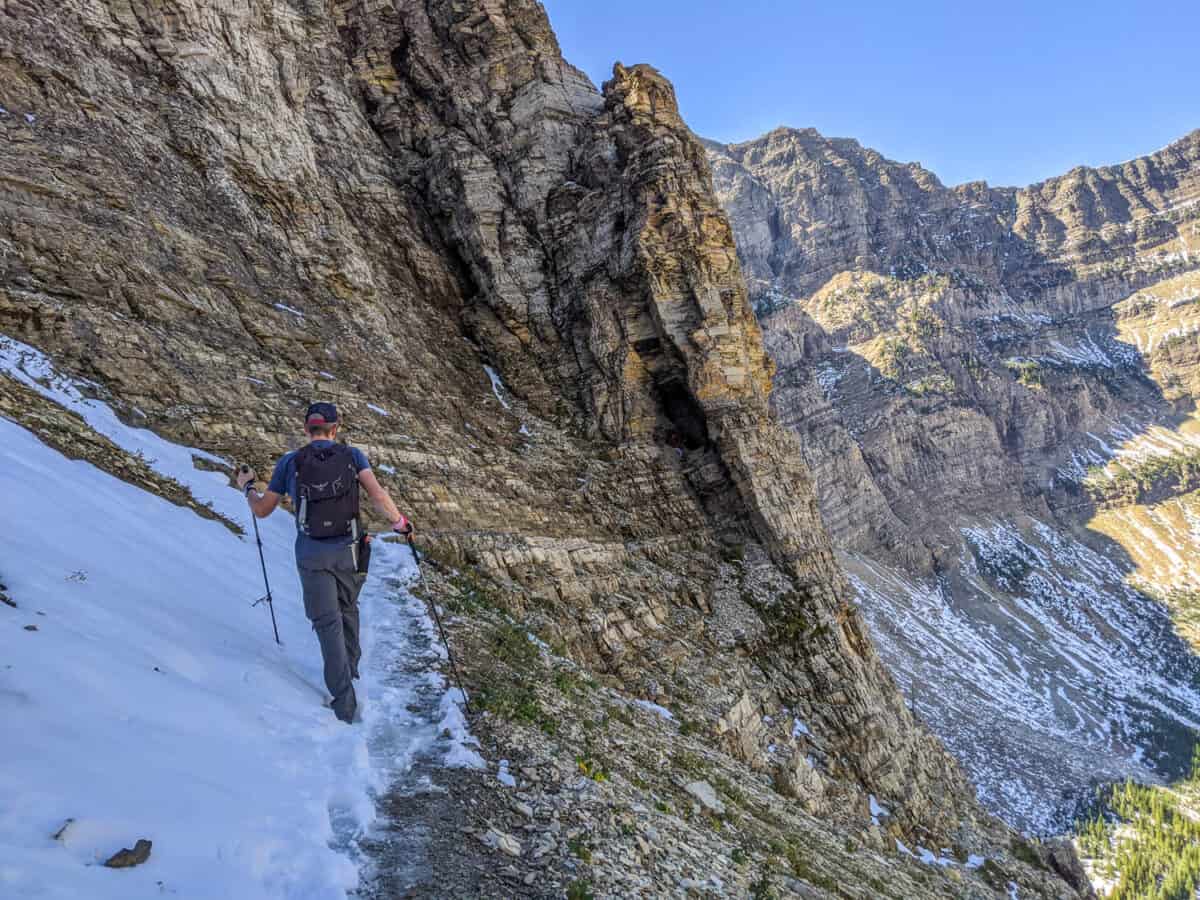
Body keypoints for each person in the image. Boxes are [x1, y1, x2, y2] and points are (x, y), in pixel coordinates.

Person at [237, 402, 413, 723]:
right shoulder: (353, 456)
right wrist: (399, 522)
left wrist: (247, 487)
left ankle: (345, 706)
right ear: (336, 429)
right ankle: (353, 672)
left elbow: (262, 510)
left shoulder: (290, 462)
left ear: (307, 429)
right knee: (348, 608)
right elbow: (376, 494)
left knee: (326, 623)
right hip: (349, 549)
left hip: (311, 552)